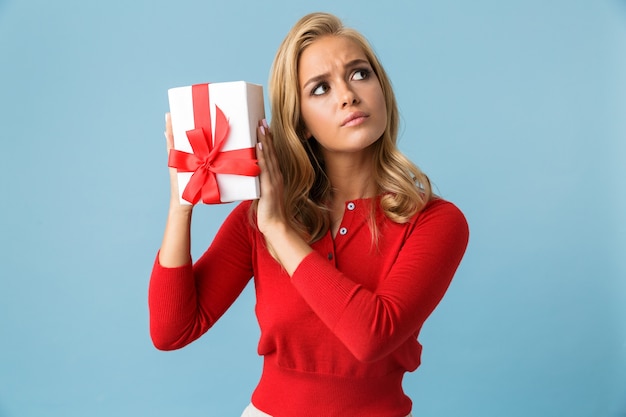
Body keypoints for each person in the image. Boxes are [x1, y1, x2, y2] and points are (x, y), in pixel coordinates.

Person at [149, 12, 469, 417]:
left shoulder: (435, 221)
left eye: (359, 74)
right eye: (321, 88)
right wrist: (182, 200)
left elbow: (372, 336)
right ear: (299, 123)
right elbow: (172, 330)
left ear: (381, 90)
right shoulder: (261, 217)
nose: (348, 95)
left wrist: (280, 232)